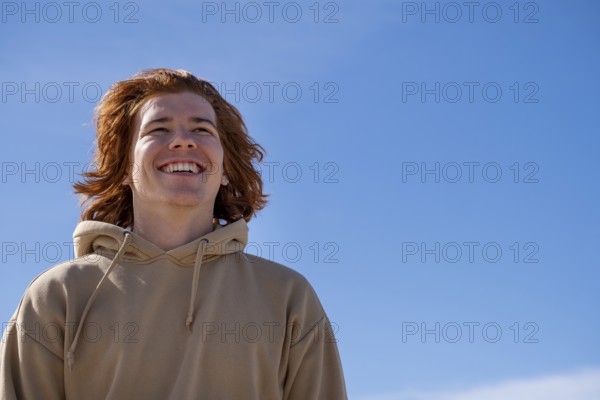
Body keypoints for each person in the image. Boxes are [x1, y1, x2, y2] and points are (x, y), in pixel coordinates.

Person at [0, 68, 347, 399]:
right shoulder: (57, 295)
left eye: (201, 130)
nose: (183, 141)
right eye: (159, 129)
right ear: (124, 168)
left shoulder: (288, 297)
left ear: (226, 169)